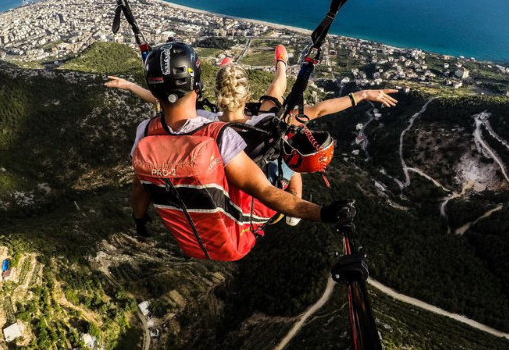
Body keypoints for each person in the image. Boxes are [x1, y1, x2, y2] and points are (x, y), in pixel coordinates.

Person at [110, 48, 398, 225]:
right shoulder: (268, 121)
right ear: (245, 95)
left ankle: (242, 66)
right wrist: (362, 95)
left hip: (224, 176)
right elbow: (321, 109)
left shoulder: (201, 121)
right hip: (261, 174)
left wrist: (130, 86)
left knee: (275, 104)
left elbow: (163, 101)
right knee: (283, 128)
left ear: (217, 95)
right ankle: (281, 65)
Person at [129, 41, 354, 261]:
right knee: (287, 154)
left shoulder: (146, 131)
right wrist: (322, 213)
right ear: (197, 84)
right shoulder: (218, 135)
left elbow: (141, 185)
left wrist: (138, 218)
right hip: (234, 234)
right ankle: (294, 206)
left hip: (189, 237)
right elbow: (264, 191)